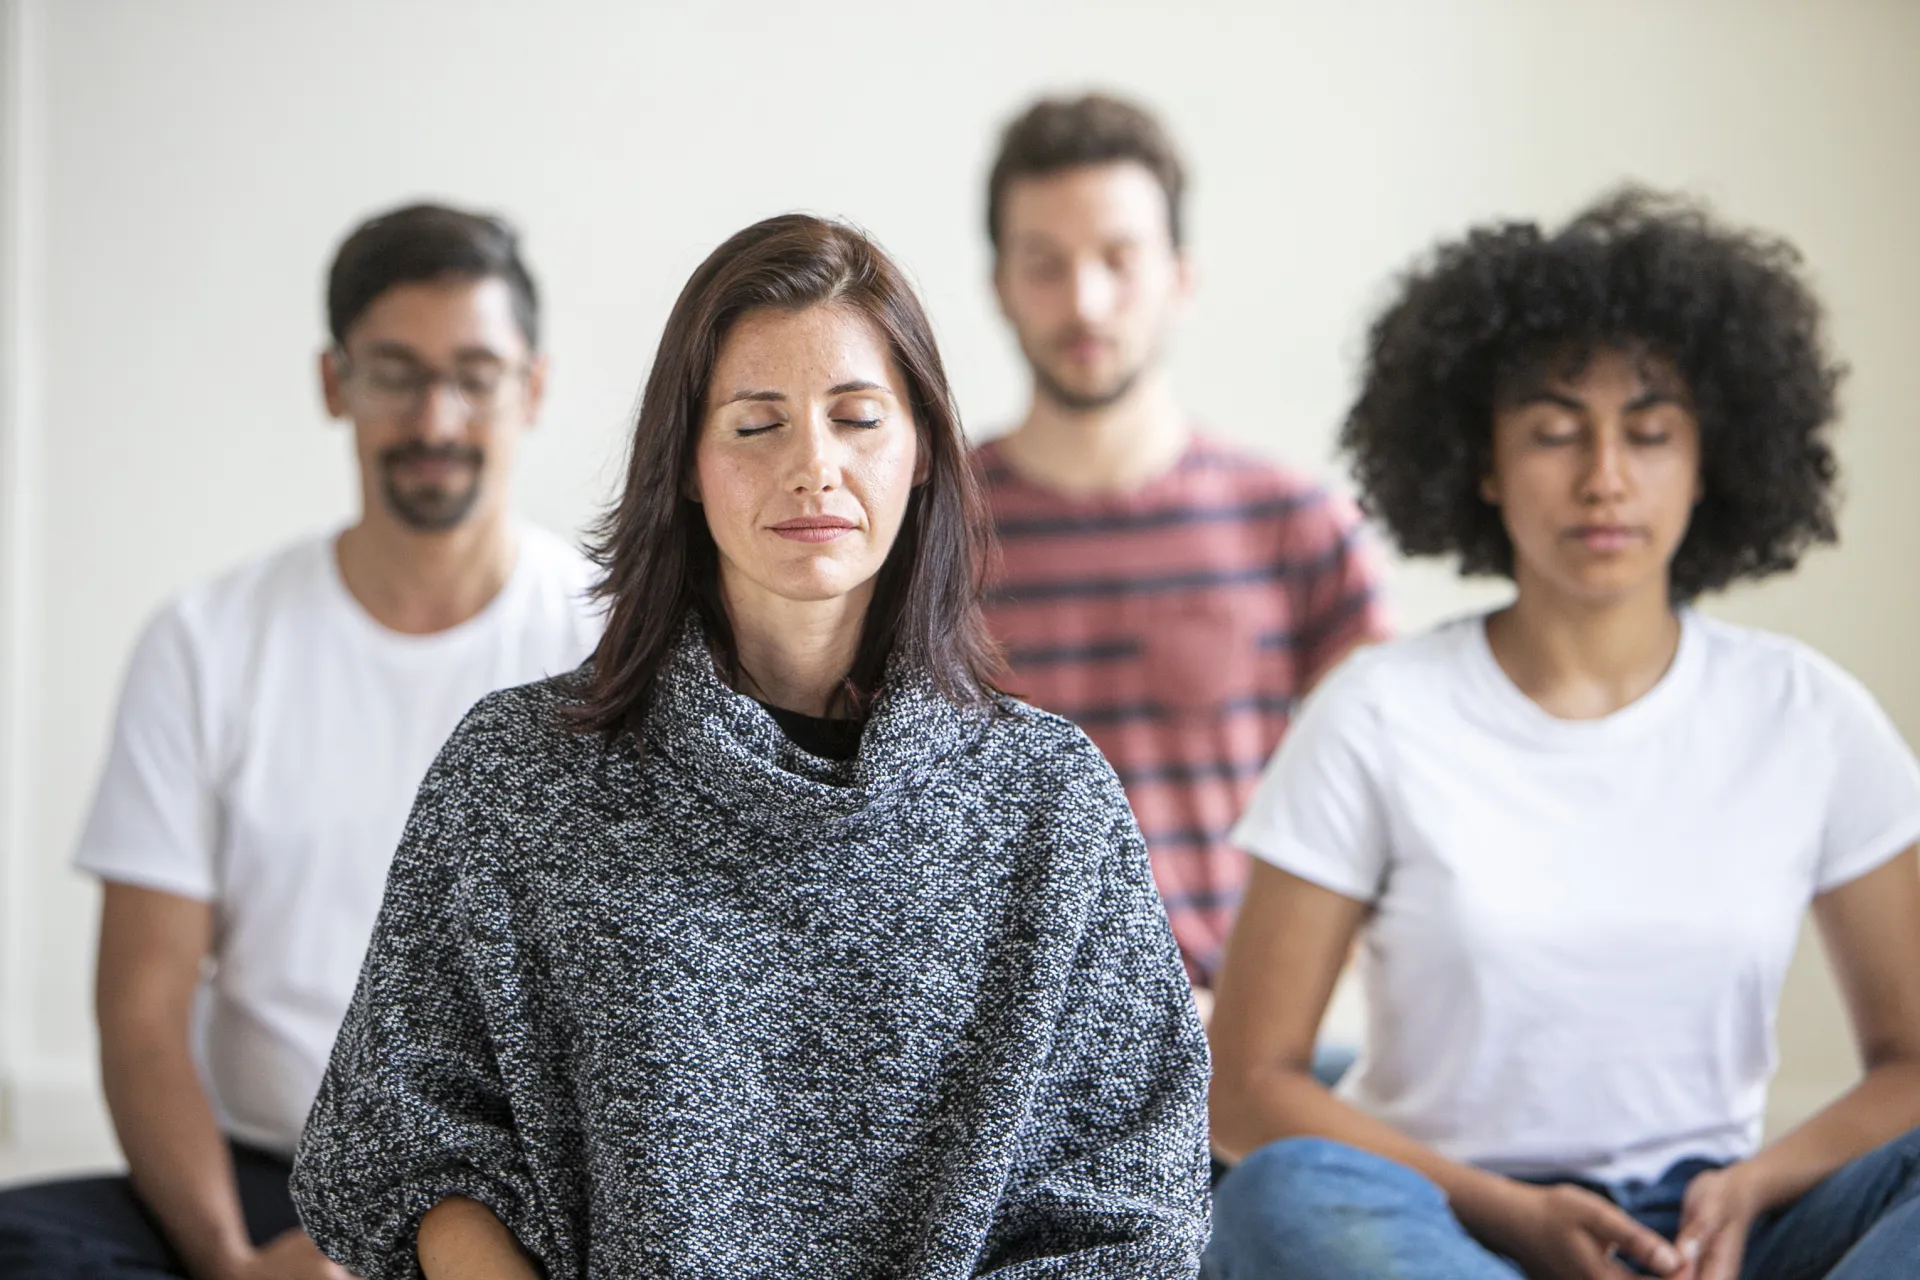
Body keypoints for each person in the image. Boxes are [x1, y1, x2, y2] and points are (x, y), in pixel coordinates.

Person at [289, 213, 1211, 1280]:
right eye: (755, 423)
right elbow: (402, 1140)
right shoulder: (516, 770)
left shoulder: (1052, 804)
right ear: (684, 462)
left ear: (920, 454)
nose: (813, 466)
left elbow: (1128, 1211)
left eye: (859, 418)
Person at [1205, 188, 1920, 1280]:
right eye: (1553, 430)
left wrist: (1753, 1185)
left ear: (1708, 457)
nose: (1605, 477)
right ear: (1481, 462)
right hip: (1448, 1221)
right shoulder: (1377, 713)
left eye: (1649, 430)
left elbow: (1914, 1062)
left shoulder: (1810, 715)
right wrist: (1510, 1210)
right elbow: (1247, 1084)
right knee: (1285, 1198)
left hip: (1722, 1232)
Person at [0, 204, 604, 1280]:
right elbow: (140, 1013)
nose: (436, 414)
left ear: (533, 388)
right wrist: (233, 1263)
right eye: (393, 372)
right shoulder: (208, 641)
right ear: (335, 383)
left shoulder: (608, 645)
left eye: (475, 373)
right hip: (263, 1170)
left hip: (513, 1192)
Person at [974, 93, 1390, 998]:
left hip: (1228, 1059)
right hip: (998, 1074)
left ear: (1181, 278)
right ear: (999, 285)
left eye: (1119, 259)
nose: (1085, 301)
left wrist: (1261, 1021)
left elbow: (1392, 816)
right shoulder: (927, 536)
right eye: (1045, 264)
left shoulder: (1296, 527)